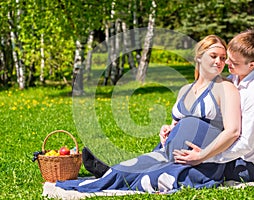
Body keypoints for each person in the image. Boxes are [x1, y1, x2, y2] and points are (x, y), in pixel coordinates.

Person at [56, 35, 241, 193]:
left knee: (151, 178)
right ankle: (108, 172)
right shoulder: (185, 89)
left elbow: (232, 131)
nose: (219, 62)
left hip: (200, 162)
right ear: (199, 58)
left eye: (223, 58)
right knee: (124, 170)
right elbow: (177, 123)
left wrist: (201, 156)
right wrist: (168, 130)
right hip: (166, 152)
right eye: (213, 56)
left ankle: (115, 172)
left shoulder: (225, 88)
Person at [173, 29, 254, 182]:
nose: (226, 63)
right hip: (231, 153)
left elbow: (245, 144)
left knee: (188, 168)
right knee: (180, 160)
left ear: (252, 65)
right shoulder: (236, 76)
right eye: (228, 57)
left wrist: (203, 157)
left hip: (248, 164)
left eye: (233, 62)